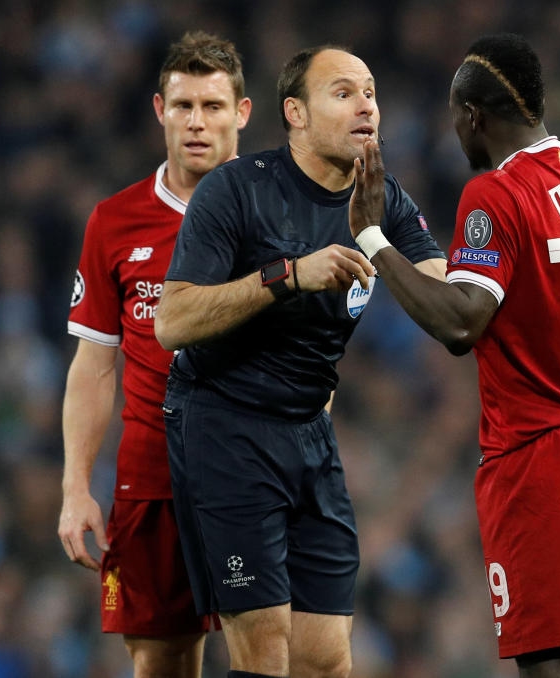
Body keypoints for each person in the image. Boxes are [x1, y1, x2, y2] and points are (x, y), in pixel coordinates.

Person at [347, 34, 560, 678]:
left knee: (552, 665)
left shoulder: (494, 195)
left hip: (546, 456)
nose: (456, 136)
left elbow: (462, 323)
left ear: (473, 116)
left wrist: (373, 237)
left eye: (455, 121)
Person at [151, 44, 449, 678]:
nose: (366, 105)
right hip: (224, 424)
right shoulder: (237, 190)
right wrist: (286, 276)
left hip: (311, 432)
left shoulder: (382, 199)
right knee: (265, 650)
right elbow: (171, 321)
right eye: (343, 93)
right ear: (296, 113)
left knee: (326, 661)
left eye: (370, 92)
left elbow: (445, 294)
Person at [57, 31, 251, 678]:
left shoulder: (278, 213)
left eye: (213, 106)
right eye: (184, 105)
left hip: (255, 473)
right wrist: (76, 486)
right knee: (163, 660)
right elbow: (94, 365)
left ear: (242, 113)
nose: (197, 122)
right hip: (152, 478)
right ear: (158, 111)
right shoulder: (114, 222)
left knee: (281, 651)